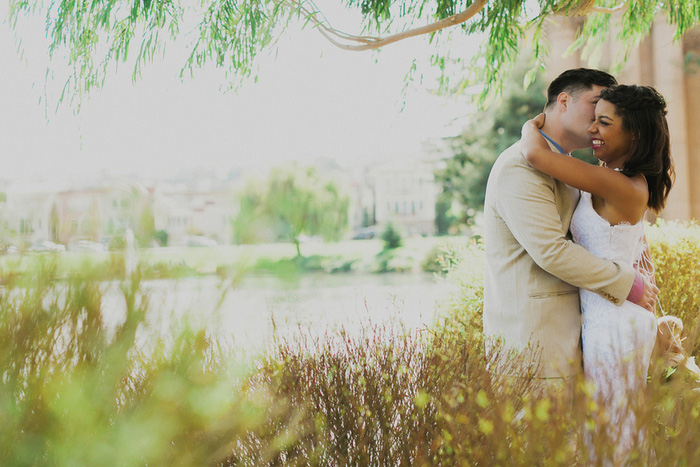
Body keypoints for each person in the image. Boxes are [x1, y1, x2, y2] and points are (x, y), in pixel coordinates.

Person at [520, 84, 674, 463]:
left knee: (615, 437)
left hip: (616, 327)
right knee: (611, 432)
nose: (593, 130)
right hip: (609, 317)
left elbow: (534, 154)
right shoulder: (613, 175)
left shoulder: (618, 183)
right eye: (593, 120)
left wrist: (534, 122)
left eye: (604, 123)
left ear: (634, 133)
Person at [482, 69, 659, 396]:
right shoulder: (520, 166)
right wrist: (628, 283)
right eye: (595, 104)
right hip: (536, 343)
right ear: (563, 100)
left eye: (606, 115)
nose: (597, 118)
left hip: (584, 334)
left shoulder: (569, 168)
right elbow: (551, 251)